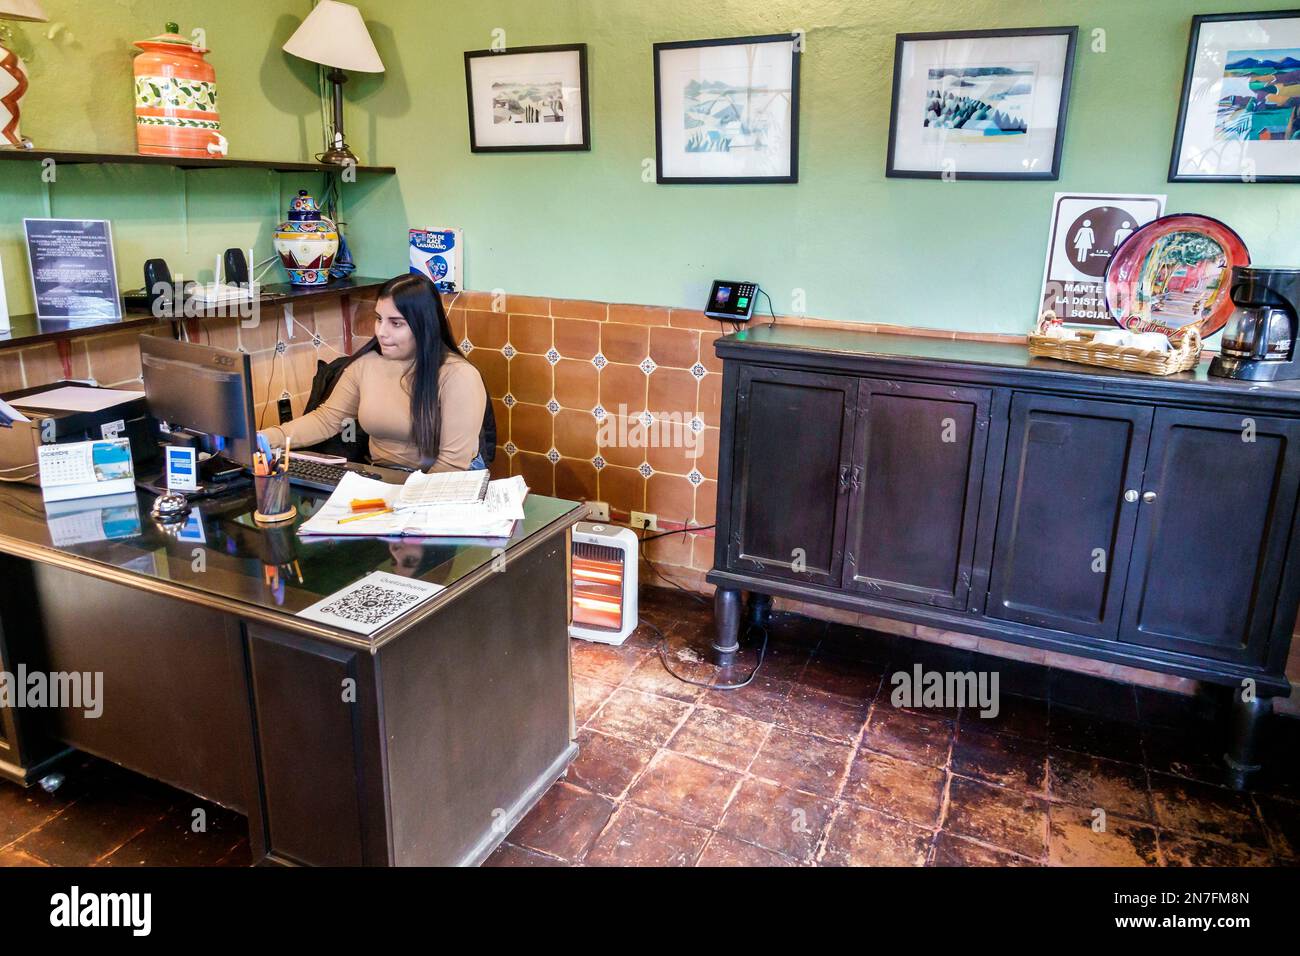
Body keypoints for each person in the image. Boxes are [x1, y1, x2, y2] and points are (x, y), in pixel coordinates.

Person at [260, 273, 488, 472]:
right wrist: (266, 438)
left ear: (424, 326)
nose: (381, 332)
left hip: (444, 485)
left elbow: (452, 464)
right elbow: (326, 420)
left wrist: (407, 503)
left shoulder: (458, 376)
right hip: (384, 478)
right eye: (379, 319)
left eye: (396, 323)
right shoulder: (366, 365)